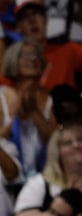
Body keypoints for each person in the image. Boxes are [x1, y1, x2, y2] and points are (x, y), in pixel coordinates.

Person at [0, 38, 55, 181]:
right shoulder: (2, 96)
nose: (33, 60)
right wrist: (14, 119)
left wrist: (34, 113)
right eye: (26, 55)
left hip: (44, 173)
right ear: (13, 60)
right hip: (8, 173)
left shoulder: (50, 99)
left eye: (37, 55)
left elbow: (55, 140)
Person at [13, 0, 82, 91]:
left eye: (36, 13)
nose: (32, 20)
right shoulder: (14, 61)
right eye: (24, 17)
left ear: (46, 18)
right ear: (18, 27)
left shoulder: (67, 51)